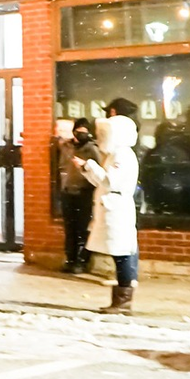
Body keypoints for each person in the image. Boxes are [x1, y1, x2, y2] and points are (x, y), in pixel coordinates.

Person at [77, 114, 139, 313]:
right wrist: (87, 170)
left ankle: (123, 301)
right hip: (112, 207)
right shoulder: (116, 154)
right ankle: (121, 299)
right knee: (119, 253)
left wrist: (89, 166)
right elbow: (103, 181)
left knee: (121, 253)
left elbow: (110, 181)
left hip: (117, 209)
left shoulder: (122, 155)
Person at [58, 118, 102, 272]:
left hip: (84, 193)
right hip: (68, 191)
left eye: (85, 131)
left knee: (83, 228)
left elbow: (98, 171)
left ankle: (81, 262)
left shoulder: (91, 149)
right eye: (79, 130)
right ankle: (70, 259)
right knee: (70, 228)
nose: (82, 134)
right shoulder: (66, 146)